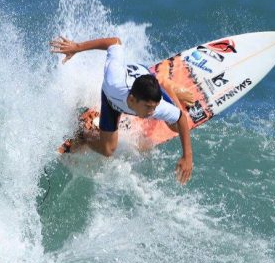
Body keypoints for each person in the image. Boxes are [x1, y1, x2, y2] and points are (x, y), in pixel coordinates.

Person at [50, 36, 194, 184]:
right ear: (132, 100)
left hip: (145, 77)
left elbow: (181, 118)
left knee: (175, 127)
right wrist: (77, 47)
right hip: (113, 99)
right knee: (108, 150)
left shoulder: (155, 107)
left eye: (154, 107)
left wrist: (187, 157)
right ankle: (84, 134)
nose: (152, 112)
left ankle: (166, 86)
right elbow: (114, 42)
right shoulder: (114, 83)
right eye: (148, 108)